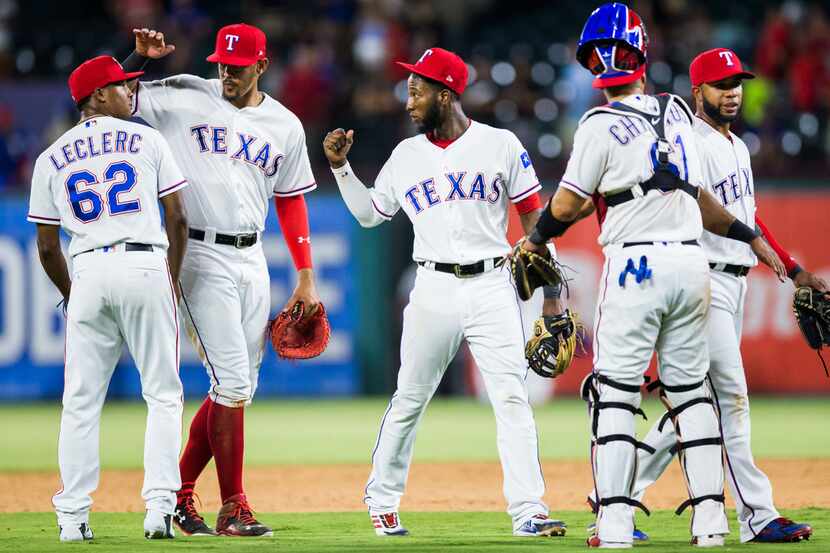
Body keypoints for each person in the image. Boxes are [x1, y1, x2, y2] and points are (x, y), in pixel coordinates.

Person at [519, 3, 786, 548]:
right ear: (644, 56)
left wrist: (534, 237)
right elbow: (699, 198)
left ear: (594, 66)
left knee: (616, 394)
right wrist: (749, 235)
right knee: (693, 396)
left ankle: (614, 523)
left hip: (636, 265)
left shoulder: (597, 124)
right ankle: (710, 524)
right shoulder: (682, 117)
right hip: (693, 266)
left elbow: (568, 204)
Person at [323, 47, 567, 538]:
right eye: (408, 90)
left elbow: (535, 226)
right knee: (410, 397)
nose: (408, 99)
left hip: (493, 284)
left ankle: (528, 510)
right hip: (431, 286)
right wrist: (341, 168)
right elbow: (372, 214)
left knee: (511, 398)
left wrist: (553, 296)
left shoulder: (500, 144)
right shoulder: (405, 155)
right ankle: (382, 499)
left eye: (417, 91)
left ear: (446, 93)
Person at [122, 25, 321, 537]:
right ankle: (232, 506)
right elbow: (112, 97)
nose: (227, 73)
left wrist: (305, 275)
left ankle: (177, 494)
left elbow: (291, 198)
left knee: (237, 386)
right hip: (197, 252)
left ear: (262, 64)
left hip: (253, 255)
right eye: (222, 64)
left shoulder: (285, 124)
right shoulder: (184, 94)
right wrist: (136, 58)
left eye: (238, 65)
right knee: (232, 382)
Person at [623, 47, 823, 544]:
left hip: (733, 281)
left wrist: (793, 267)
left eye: (737, 83)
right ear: (698, 91)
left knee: (696, 403)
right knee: (730, 396)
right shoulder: (690, 141)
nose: (732, 93)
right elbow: (706, 211)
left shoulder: (736, 145)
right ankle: (758, 515)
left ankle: (614, 497)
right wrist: (755, 243)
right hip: (703, 278)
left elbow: (748, 216)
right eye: (720, 85)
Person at [28, 55, 188, 541]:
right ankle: (159, 509)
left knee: (80, 402)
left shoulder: (49, 156)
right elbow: (177, 218)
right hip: (143, 263)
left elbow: (46, 246)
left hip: (89, 268)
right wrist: (172, 279)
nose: (129, 92)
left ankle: (73, 518)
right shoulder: (147, 138)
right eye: (121, 85)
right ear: (97, 96)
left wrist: (73, 295)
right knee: (163, 393)